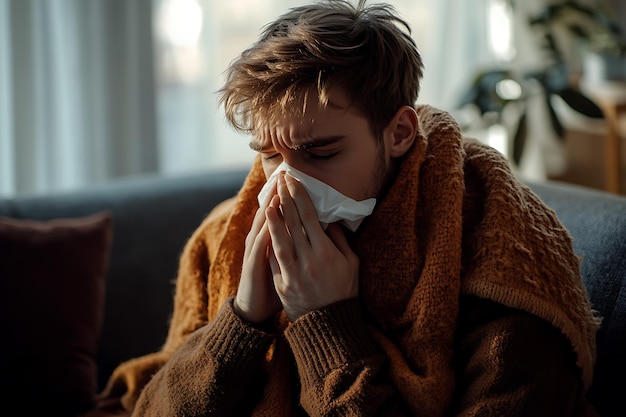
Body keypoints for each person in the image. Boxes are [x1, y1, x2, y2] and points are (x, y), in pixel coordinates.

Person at [85, 1, 601, 416]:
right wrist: (241, 321)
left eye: (322, 152)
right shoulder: (227, 235)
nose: (289, 182)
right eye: (269, 156)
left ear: (399, 133)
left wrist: (326, 323)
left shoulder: (496, 247)